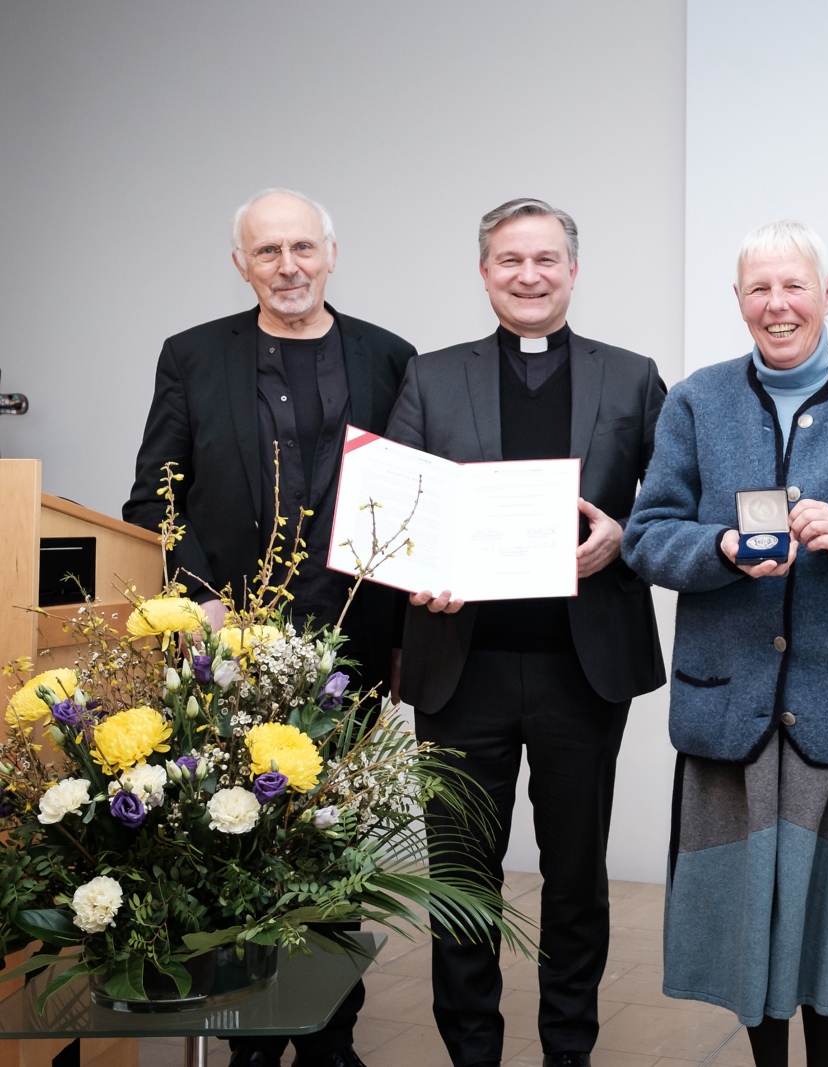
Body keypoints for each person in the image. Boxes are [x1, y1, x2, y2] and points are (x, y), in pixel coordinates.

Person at [623, 220, 828, 1067]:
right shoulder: (696, 399)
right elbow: (647, 534)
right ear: (739, 303)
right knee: (746, 922)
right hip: (730, 706)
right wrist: (719, 549)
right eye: (759, 289)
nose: (778, 304)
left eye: (794, 286)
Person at [125, 188, 416, 1067]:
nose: (287, 267)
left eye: (302, 248)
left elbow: (409, 500)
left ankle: (331, 1036)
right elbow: (155, 497)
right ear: (241, 264)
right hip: (230, 651)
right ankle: (250, 1036)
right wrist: (200, 600)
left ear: (331, 253)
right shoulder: (193, 355)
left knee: (332, 848)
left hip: (353, 647)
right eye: (267, 252)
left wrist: (404, 637)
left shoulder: (389, 356)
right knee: (234, 841)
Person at [385, 197, 666, 1067]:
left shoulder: (631, 375)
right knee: (462, 882)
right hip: (458, 670)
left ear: (573, 270)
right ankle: (472, 1051)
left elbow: (669, 500)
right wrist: (415, 566)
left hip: (581, 673)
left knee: (576, 879)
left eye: (546, 259)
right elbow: (396, 510)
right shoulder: (431, 377)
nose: (530, 276)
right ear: (484, 272)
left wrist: (622, 534)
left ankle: (568, 1052)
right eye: (510, 260)